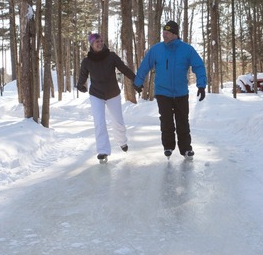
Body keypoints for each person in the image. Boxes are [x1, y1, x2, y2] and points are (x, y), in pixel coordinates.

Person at [133, 20, 206, 159]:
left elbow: (199, 66)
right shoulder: (156, 49)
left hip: (181, 92)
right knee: (166, 121)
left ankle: (186, 149)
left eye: (167, 33)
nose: (164, 35)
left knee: (182, 121)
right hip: (162, 92)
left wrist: (201, 85)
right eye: (163, 33)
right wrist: (138, 82)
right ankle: (168, 146)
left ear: (175, 34)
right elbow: (145, 65)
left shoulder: (187, 49)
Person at [76, 32, 136, 163]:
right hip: (96, 94)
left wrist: (135, 80)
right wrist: (80, 85)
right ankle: (103, 151)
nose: (100, 43)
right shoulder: (87, 61)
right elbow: (82, 77)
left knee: (118, 121)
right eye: (97, 41)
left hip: (112, 93)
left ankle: (122, 141)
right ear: (92, 44)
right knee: (99, 123)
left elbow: (124, 69)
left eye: (101, 41)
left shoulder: (111, 56)